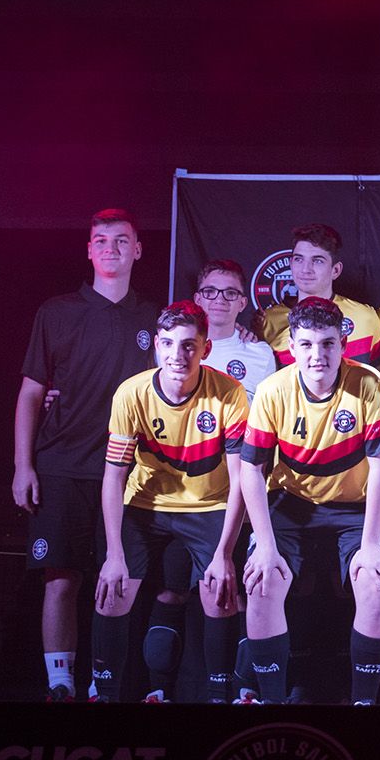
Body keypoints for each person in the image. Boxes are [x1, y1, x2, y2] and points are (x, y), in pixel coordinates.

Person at [14, 207, 157, 701]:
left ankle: (105, 681)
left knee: (114, 581)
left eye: (121, 240)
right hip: (61, 467)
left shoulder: (155, 319)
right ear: (89, 250)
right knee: (61, 578)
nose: (111, 248)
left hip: (128, 473)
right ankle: (60, 684)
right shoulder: (56, 312)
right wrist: (23, 465)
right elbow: (32, 393)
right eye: (101, 240)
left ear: (137, 249)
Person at [239, 298, 380, 704]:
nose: (317, 355)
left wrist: (372, 544)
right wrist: (265, 545)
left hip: (355, 508)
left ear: (343, 344)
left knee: (377, 586)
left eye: (328, 344)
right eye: (307, 344)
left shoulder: (369, 384)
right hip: (292, 505)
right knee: (261, 583)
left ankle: (364, 702)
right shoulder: (274, 390)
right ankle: (272, 703)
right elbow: (250, 470)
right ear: (292, 346)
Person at [94, 301, 248, 702]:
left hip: (209, 506)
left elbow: (241, 480)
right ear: (157, 347)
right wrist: (114, 555)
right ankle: (106, 694)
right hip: (146, 507)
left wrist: (226, 552)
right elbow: (114, 477)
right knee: (114, 589)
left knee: (219, 592)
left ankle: (220, 695)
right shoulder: (132, 393)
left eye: (188, 345)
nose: (177, 356)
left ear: (205, 348)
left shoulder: (229, 394)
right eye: (168, 344)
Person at [142, 259, 276, 702]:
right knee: (173, 589)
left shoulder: (260, 353)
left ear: (244, 301)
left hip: (239, 494)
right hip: (178, 494)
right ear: (198, 298)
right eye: (211, 291)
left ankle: (235, 692)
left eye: (230, 292)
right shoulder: (171, 350)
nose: (220, 299)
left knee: (230, 591)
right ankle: (159, 692)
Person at [255, 223, 380, 366]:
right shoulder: (267, 321)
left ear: (336, 270)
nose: (305, 269)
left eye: (317, 261)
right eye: (299, 259)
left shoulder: (365, 318)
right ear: (290, 264)